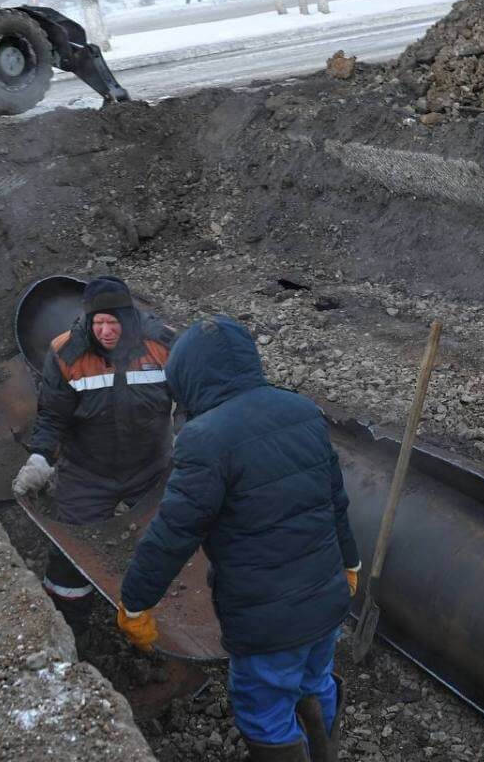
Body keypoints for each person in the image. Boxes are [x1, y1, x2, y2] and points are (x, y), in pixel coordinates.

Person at [117, 316, 362, 762]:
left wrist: (136, 602)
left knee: (263, 710)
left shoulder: (205, 439)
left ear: (189, 377)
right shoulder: (301, 410)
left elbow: (173, 534)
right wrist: (350, 564)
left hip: (265, 623)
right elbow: (334, 502)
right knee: (315, 681)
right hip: (326, 601)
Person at [12, 275, 175, 642]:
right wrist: (40, 457)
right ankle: (71, 634)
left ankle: (164, 624)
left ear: (129, 318)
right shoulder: (66, 352)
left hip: (151, 470)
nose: (104, 331)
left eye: (112, 322)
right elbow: (53, 414)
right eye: (96, 322)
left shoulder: (161, 345)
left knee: (169, 544)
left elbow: (192, 397)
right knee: (72, 558)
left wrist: (190, 443)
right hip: (87, 473)